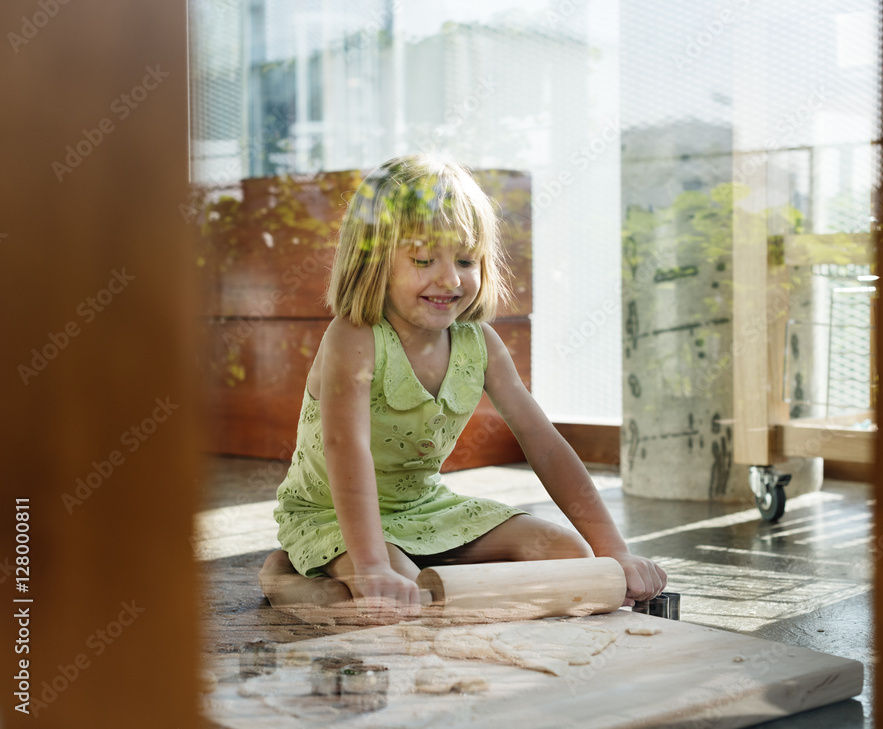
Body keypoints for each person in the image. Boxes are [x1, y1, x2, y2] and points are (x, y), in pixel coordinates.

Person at [259, 154, 667, 621]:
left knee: (572, 556)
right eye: (423, 259)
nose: (450, 279)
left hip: (424, 507)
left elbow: (545, 446)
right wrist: (372, 565)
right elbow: (344, 447)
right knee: (401, 595)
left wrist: (613, 551)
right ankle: (285, 575)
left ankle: (411, 572)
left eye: (466, 259)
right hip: (333, 514)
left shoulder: (482, 344)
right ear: (372, 262)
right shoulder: (353, 339)